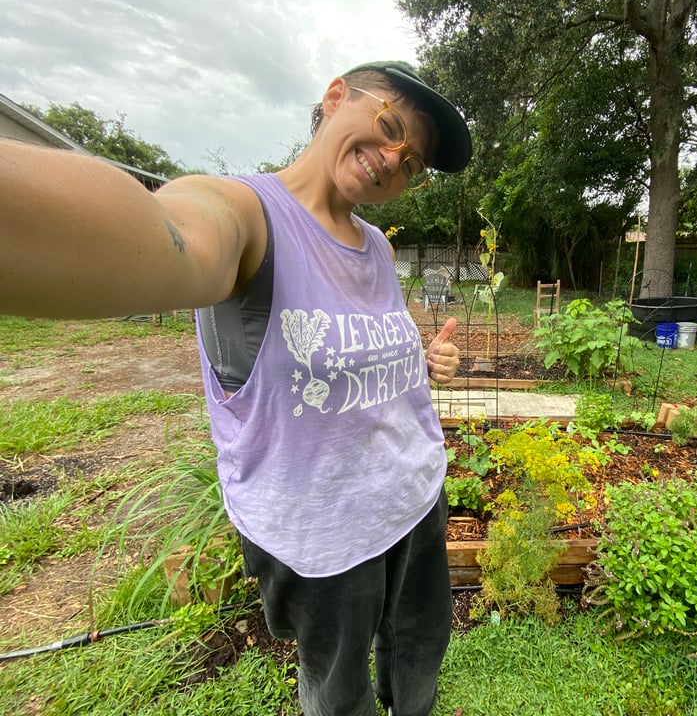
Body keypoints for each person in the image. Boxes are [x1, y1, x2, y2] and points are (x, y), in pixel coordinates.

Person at [0, 60, 472, 716]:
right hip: (324, 534)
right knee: (339, 691)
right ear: (336, 98)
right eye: (389, 126)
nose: (395, 159)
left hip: (415, 496)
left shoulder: (378, 249)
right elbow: (173, 235)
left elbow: (358, 357)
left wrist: (425, 360)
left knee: (420, 646)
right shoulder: (247, 215)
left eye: (413, 162)